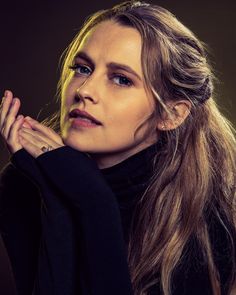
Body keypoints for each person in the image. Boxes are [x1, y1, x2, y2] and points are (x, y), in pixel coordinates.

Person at [0, 1, 235, 294]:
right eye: (82, 68)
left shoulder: (202, 211)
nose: (85, 91)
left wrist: (93, 201)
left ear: (171, 114)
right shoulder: (23, 184)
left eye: (121, 79)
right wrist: (57, 199)